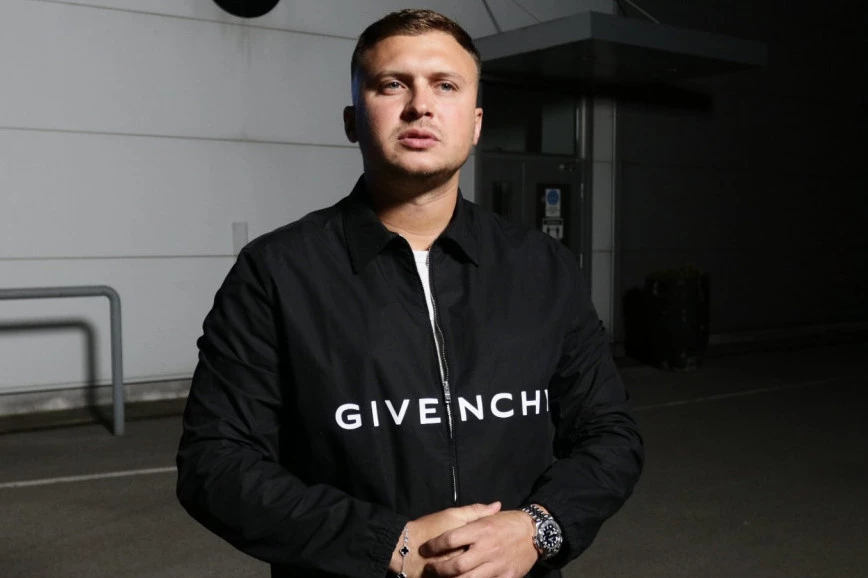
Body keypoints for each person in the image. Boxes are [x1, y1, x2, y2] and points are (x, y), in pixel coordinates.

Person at [176, 9, 643, 578]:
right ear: (353, 120)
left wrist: (539, 527)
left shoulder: (542, 267)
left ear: (475, 123)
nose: (421, 105)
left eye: (445, 86)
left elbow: (610, 435)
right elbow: (215, 464)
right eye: (393, 84)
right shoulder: (276, 273)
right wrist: (389, 546)